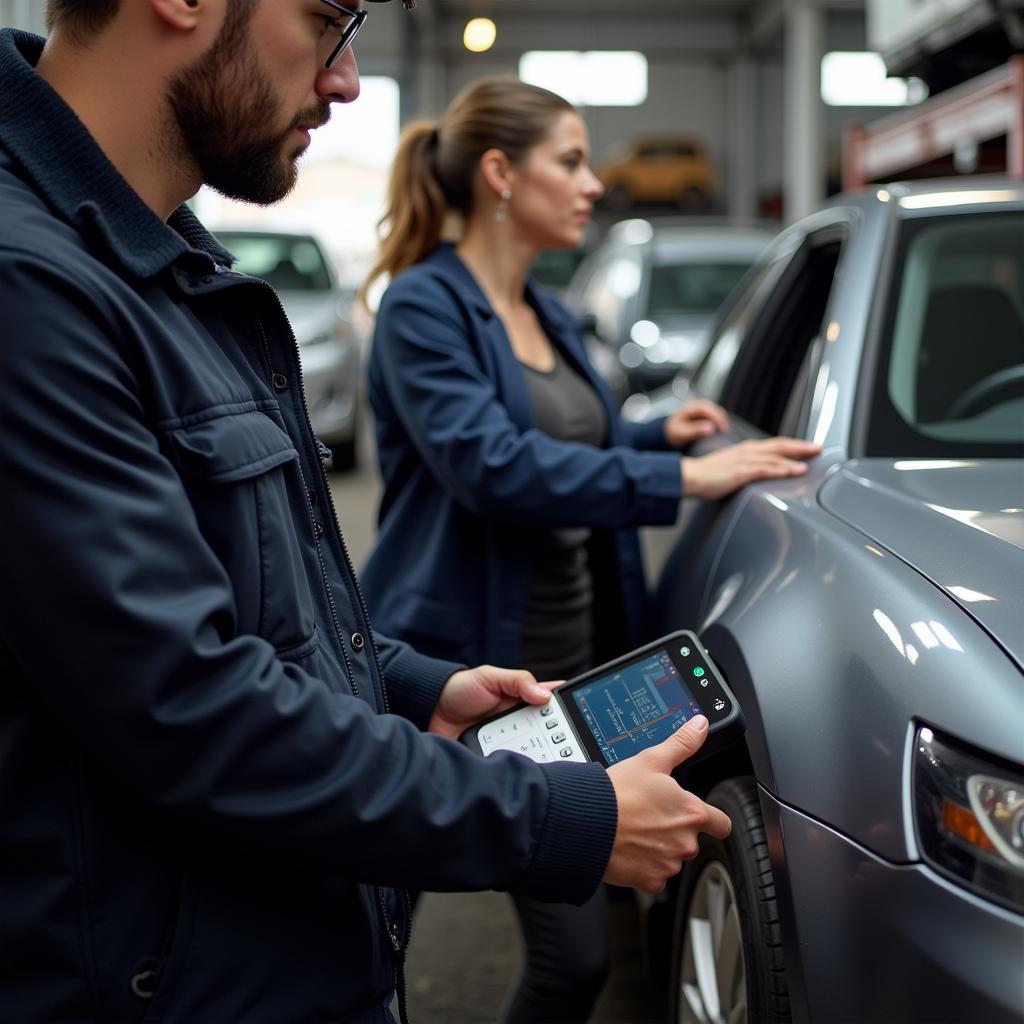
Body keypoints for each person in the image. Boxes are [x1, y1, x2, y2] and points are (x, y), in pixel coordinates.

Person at [0, 4, 736, 1023]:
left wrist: (408, 683)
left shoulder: (172, 275)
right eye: (323, 20)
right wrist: (551, 817)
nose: (346, 82)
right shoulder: (32, 288)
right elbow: (188, 706)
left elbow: (250, 604)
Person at [359, 76, 821, 1022]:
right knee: (397, 929)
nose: (591, 184)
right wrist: (679, 481)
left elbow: (574, 441)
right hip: (461, 662)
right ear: (499, 173)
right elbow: (493, 464)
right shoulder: (422, 309)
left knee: (574, 952)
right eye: (568, 161)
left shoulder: (551, 311)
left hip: (572, 665)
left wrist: (657, 436)